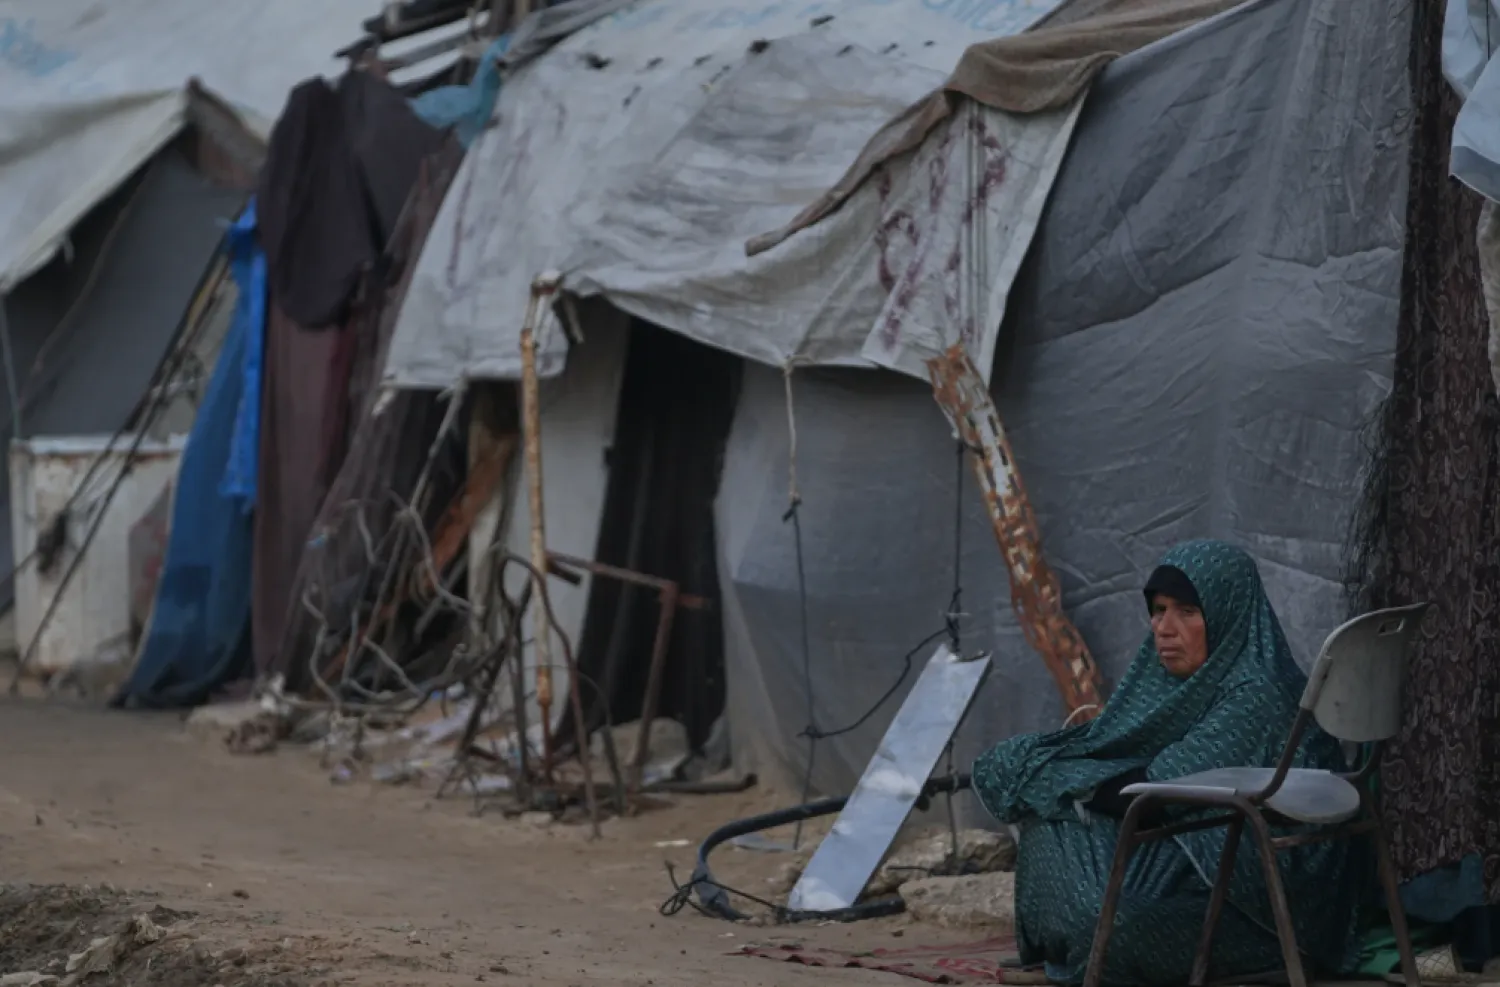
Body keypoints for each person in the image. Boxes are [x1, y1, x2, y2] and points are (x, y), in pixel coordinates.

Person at [972, 540, 1364, 986]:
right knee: (1057, 826)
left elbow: (1153, 791)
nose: (1164, 628)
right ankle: (1079, 934)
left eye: (1187, 612)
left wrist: (1058, 779)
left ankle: (1084, 941)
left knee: (1111, 912)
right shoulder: (1167, 680)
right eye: (1158, 610)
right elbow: (1112, 749)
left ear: (1229, 613)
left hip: (1267, 906)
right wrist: (1060, 778)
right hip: (1201, 844)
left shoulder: (1258, 691)